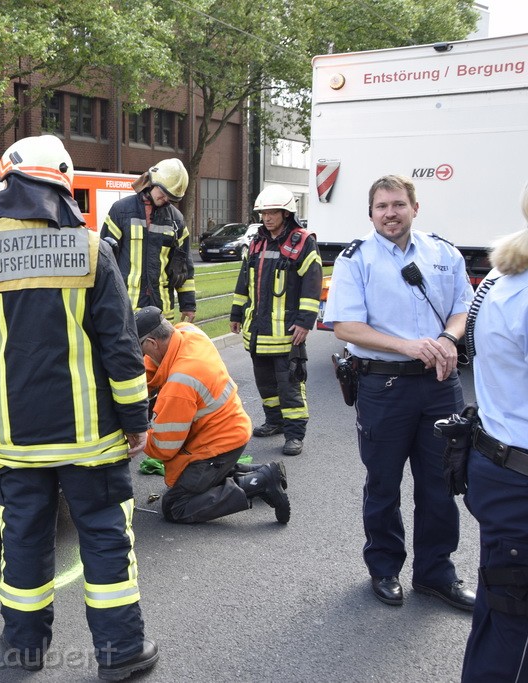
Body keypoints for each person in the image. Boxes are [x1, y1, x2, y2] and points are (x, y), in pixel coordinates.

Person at [0, 135, 159, 681]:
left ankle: (22, 648)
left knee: (22, 542)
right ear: (62, 186)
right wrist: (136, 422)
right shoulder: (91, 249)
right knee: (107, 541)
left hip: (17, 441)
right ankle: (121, 653)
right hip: (92, 440)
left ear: (8, 183)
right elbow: (121, 348)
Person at [322, 174, 474, 611]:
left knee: (442, 483)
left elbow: (463, 307)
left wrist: (447, 338)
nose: (390, 213)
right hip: (383, 385)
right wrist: (407, 345)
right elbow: (345, 327)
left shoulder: (444, 253)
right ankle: (384, 567)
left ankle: (435, 572)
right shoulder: (357, 259)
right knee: (384, 483)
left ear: (415, 207)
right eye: (382, 206)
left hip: (440, 385)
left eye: (398, 205)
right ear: (371, 213)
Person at [134, 306, 290, 525]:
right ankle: (262, 473)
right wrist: (136, 388)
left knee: (175, 504)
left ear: (152, 343)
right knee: (194, 478)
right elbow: (156, 364)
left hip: (219, 443)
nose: (143, 356)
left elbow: (164, 447)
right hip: (230, 427)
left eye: (141, 350)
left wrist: (136, 437)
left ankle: (258, 482)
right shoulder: (188, 332)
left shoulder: (180, 382)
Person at [461, 181, 528, 681]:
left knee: (500, 615)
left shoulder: (501, 279)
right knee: (510, 628)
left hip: (502, 467)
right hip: (516, 478)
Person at [230, 185, 321, 456]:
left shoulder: (303, 242)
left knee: (290, 386)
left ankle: (295, 435)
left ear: (286, 213)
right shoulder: (256, 242)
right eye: (263, 213)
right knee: (266, 384)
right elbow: (244, 279)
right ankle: (274, 421)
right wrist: (236, 314)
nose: (267, 218)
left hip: (287, 333)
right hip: (258, 332)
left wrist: (305, 322)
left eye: (273, 212)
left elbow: (312, 284)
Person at [100, 158, 196, 323]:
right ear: (153, 182)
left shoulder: (176, 220)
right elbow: (103, 259)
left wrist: (188, 304)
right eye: (163, 193)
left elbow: (184, 266)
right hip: (126, 309)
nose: (166, 199)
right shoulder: (121, 211)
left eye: (170, 197)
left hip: (162, 312)